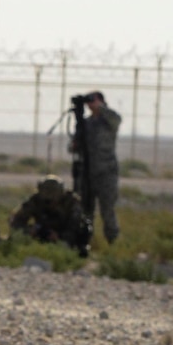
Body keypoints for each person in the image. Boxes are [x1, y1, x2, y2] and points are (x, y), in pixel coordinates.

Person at [72, 90, 123, 243]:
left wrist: (100, 107)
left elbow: (117, 120)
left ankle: (112, 241)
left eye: (92, 100)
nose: (89, 104)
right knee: (85, 211)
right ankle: (85, 242)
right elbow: (74, 146)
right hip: (86, 172)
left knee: (107, 210)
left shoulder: (108, 120)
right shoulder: (85, 123)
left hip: (106, 173)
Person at [10, 176, 92, 255]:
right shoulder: (35, 200)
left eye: (53, 198)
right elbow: (16, 220)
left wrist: (59, 237)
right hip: (43, 230)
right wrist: (28, 231)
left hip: (66, 233)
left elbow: (74, 227)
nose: (50, 202)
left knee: (83, 230)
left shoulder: (72, 203)